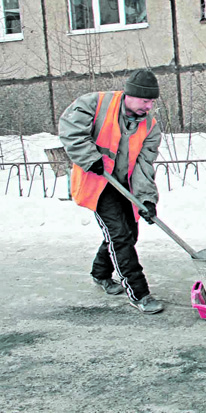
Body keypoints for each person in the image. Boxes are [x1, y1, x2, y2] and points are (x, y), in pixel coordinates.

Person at [59, 69, 164, 315]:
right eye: (144, 100)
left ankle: (100, 273)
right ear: (130, 94)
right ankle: (139, 292)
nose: (148, 107)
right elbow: (70, 130)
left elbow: (143, 165)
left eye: (151, 102)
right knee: (120, 235)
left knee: (130, 232)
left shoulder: (150, 126)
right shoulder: (95, 103)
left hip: (123, 184)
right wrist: (89, 157)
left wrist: (146, 199)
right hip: (96, 180)